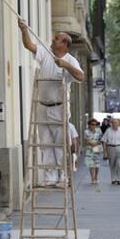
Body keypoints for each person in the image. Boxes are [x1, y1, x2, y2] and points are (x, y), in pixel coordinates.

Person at [18, 19, 84, 187]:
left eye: (56, 39)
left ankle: (62, 177)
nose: (52, 40)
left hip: (59, 107)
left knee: (59, 144)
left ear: (64, 45)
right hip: (42, 106)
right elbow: (29, 46)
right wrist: (24, 30)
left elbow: (80, 76)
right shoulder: (46, 52)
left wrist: (65, 65)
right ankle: (50, 176)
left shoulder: (70, 60)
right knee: (45, 143)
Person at [102, 118, 120, 185]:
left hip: (119, 147)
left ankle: (119, 179)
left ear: (119, 123)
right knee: (112, 164)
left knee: (119, 164)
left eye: (116, 122)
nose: (114, 124)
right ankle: (113, 179)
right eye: (113, 122)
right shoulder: (108, 130)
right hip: (110, 148)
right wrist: (104, 152)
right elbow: (104, 141)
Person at [84, 118, 103, 184]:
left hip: (96, 148)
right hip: (89, 149)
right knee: (91, 164)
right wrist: (92, 143)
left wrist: (96, 143)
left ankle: (96, 177)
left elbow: (101, 139)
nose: (94, 126)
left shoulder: (99, 131)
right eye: (92, 124)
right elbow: (85, 141)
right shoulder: (86, 132)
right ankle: (92, 178)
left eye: (95, 124)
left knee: (97, 164)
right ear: (89, 125)